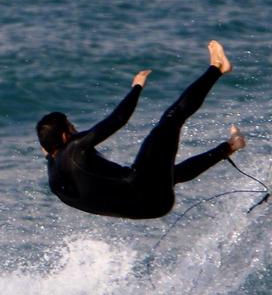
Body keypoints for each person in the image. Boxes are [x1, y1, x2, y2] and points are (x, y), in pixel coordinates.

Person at [37, 41, 246, 220]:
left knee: (167, 174)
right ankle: (217, 67)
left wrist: (49, 156)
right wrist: (136, 87)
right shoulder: (74, 148)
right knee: (171, 119)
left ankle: (231, 145)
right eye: (72, 128)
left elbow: (56, 161)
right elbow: (118, 120)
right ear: (65, 136)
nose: (76, 130)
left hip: (149, 208)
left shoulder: (55, 178)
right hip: (147, 192)